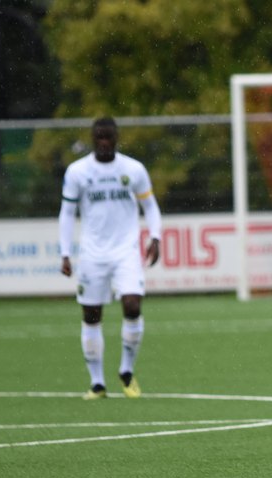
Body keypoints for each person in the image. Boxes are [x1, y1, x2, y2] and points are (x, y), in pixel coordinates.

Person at [58, 116, 162, 400]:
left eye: (109, 138)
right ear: (93, 140)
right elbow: (67, 213)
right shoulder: (78, 172)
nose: (104, 142)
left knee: (132, 304)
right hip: (92, 254)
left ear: (116, 139)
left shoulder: (133, 169)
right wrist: (65, 252)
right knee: (91, 316)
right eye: (99, 138)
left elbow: (150, 206)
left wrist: (156, 236)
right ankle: (97, 383)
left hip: (126, 252)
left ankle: (126, 372)